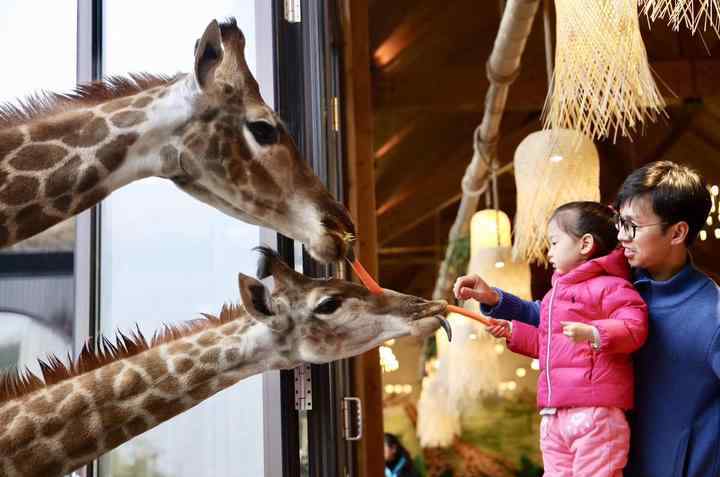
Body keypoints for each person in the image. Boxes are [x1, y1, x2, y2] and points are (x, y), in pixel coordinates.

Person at [454, 201, 648, 477]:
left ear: (585, 244)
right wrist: (513, 330)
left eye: (554, 242)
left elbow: (634, 326)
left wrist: (595, 332)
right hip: (554, 414)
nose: (549, 251)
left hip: (594, 413)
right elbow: (548, 342)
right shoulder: (554, 295)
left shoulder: (612, 286)